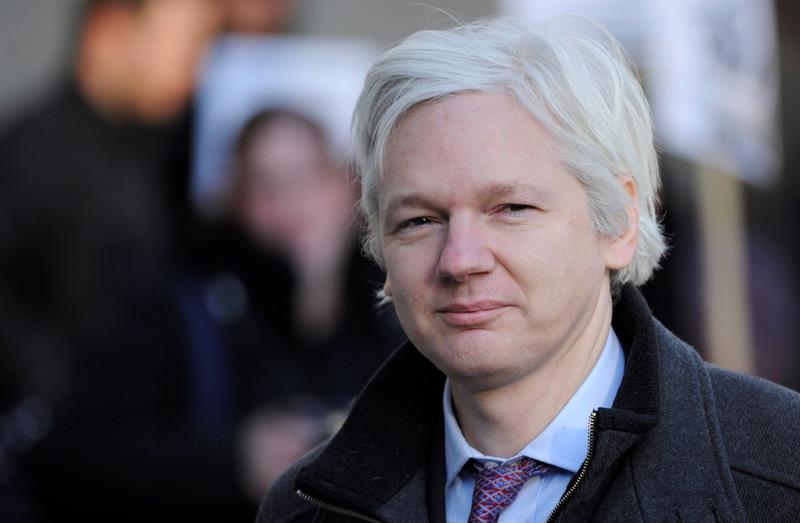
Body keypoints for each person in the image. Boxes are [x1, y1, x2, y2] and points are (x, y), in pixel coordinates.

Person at [258, 17, 800, 522]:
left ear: (618, 222)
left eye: (511, 209)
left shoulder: (781, 474)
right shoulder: (303, 507)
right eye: (420, 220)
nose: (461, 260)